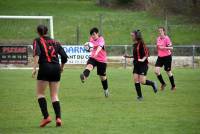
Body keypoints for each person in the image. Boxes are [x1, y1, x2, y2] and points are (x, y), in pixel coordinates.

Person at [32, 25, 68, 127]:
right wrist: (62, 67)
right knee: (54, 95)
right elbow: (64, 56)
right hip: (56, 68)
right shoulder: (55, 42)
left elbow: (36, 54)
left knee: (40, 94)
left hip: (45, 68)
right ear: (47, 31)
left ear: (38, 32)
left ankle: (46, 117)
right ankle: (58, 118)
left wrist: (34, 68)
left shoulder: (37, 40)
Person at [124, 30, 157, 100]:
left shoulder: (142, 44)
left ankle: (153, 83)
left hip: (143, 65)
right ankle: (140, 96)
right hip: (136, 65)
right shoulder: (134, 45)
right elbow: (136, 56)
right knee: (136, 79)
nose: (131, 37)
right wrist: (128, 56)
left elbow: (147, 54)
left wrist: (143, 59)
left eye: (132, 35)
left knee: (142, 81)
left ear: (137, 36)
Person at [80, 27, 109, 97]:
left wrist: (96, 52)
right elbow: (89, 46)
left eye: (94, 34)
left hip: (102, 60)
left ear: (97, 33)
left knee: (102, 77)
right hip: (93, 58)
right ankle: (84, 76)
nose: (93, 36)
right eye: (91, 35)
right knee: (89, 66)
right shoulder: (91, 39)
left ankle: (106, 90)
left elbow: (100, 46)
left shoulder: (101, 39)